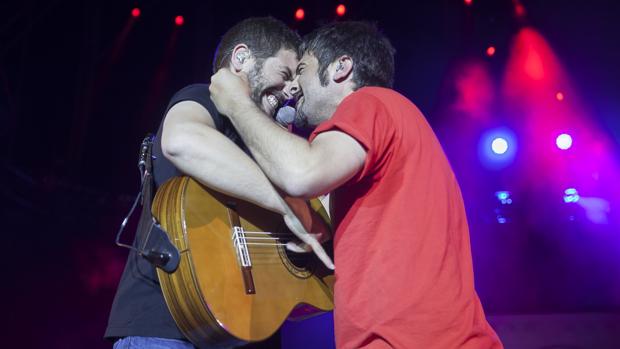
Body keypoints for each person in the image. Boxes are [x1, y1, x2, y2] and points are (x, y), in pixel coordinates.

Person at [209, 21, 504, 348]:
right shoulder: (387, 127)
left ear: (341, 67)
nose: (293, 87)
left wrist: (237, 103)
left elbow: (302, 173)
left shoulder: (369, 102)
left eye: (302, 70)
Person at [105, 17, 308, 349]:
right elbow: (181, 140)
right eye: (285, 75)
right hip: (169, 326)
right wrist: (288, 206)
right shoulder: (201, 99)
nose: (291, 90)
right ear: (241, 59)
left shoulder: (273, 143)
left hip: (250, 333)